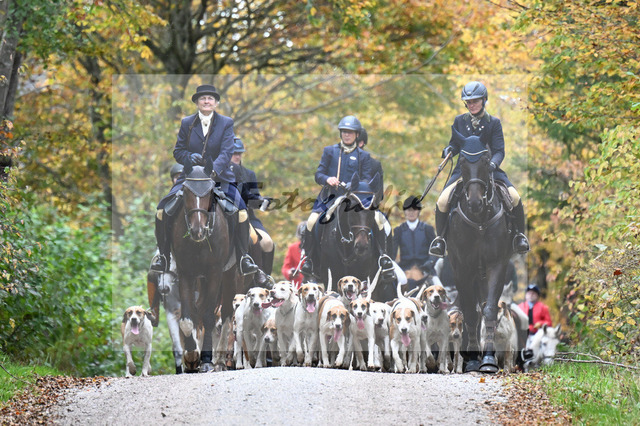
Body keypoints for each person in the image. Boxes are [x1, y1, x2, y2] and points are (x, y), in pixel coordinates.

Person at [151, 84, 263, 281]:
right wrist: (188, 157)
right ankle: (164, 256)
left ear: (216, 103)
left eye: (210, 98)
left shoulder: (226, 122)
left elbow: (227, 152)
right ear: (197, 102)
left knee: (241, 211)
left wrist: (213, 170)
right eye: (202, 98)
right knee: (162, 209)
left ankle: (243, 257)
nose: (206, 101)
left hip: (220, 177)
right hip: (191, 177)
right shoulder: (187, 123)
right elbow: (178, 151)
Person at [429, 81, 530, 258]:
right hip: (464, 171)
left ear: (484, 100)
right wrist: (449, 150)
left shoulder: (494, 123)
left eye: (475, 101)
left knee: (514, 197)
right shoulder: (459, 121)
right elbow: (455, 144)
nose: (472, 105)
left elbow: (499, 151)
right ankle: (440, 240)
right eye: (468, 102)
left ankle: (519, 236)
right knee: (442, 201)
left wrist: (493, 165)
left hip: (489, 169)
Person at [300, 115, 393, 276]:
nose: (347, 135)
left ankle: (383, 257)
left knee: (379, 221)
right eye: (344, 132)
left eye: (350, 132)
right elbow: (318, 174)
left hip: (355, 199)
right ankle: (309, 259)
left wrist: (354, 185)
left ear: (357, 135)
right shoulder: (330, 151)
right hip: (330, 198)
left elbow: (366, 178)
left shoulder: (364, 156)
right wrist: (327, 179)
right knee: (311, 221)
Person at [229, 137, 275, 278]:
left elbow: (254, 199)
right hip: (224, 216)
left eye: (239, 153)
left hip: (247, 217)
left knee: (267, 242)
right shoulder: (218, 173)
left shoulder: (249, 174)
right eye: (234, 153)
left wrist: (261, 202)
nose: (237, 156)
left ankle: (264, 276)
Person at [391, 196, 437, 291]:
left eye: (414, 210)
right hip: (405, 268)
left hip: (425, 268)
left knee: (440, 288)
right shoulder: (399, 230)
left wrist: (430, 262)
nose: (411, 213)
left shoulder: (427, 229)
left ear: (418, 211)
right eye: (408, 210)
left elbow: (435, 250)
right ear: (405, 211)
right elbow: (393, 253)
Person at [281, 221, 307, 288]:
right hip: (297, 286)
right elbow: (285, 268)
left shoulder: (318, 248)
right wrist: (289, 272)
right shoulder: (293, 248)